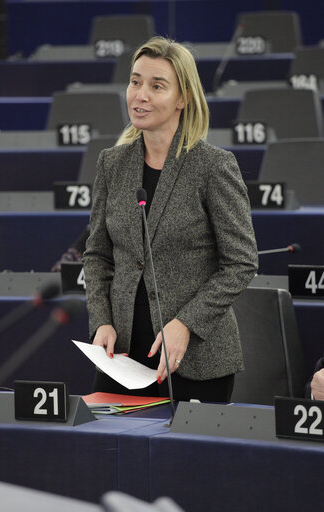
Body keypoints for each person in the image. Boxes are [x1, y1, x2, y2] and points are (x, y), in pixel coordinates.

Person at [83, 36, 258, 402]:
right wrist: (101, 320)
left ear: (183, 99)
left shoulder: (213, 166)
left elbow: (240, 262)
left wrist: (186, 324)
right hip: (122, 358)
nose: (140, 94)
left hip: (195, 359)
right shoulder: (111, 164)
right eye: (135, 82)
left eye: (156, 86)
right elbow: (98, 255)